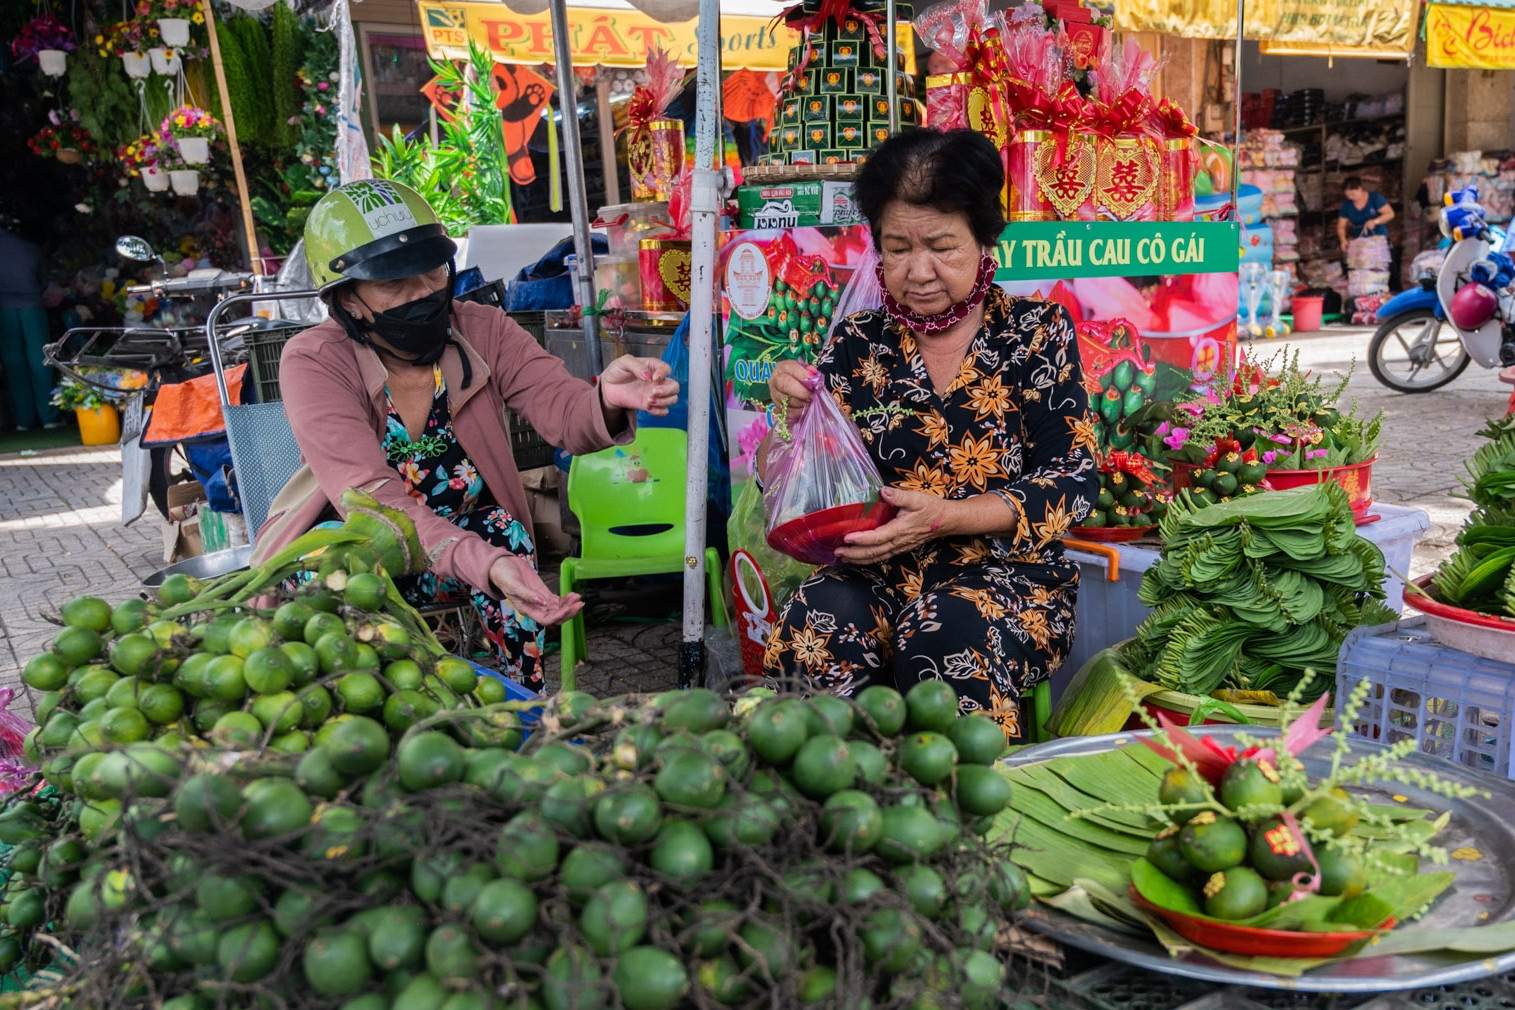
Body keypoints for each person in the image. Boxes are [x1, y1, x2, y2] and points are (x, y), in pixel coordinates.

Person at [253, 180, 679, 691]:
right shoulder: (315, 361)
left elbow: (562, 409)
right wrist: (484, 561)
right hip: (358, 541)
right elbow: (372, 501)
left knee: (501, 531)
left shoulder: (483, 328)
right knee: (334, 578)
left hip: (471, 539)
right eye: (394, 284)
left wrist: (606, 400)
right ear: (348, 299)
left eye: (432, 271)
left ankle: (521, 705)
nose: (423, 293)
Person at [758, 129, 1098, 741]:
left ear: (984, 238)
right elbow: (796, 475)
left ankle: (966, 815)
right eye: (897, 248)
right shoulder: (857, 342)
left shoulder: (1035, 333)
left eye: (941, 246)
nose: (918, 271)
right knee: (818, 615)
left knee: (946, 634)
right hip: (879, 571)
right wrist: (785, 417)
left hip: (1008, 576)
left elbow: (1073, 480)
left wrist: (946, 517)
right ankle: (830, 805)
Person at [0, 216, 62, 431]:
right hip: (32, 306)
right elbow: (42, 280)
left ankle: (23, 421)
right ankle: (49, 416)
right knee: (41, 360)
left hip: (4, 309)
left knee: (13, 363)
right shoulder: (31, 248)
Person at [1336, 176, 1395, 248]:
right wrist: (1343, 240)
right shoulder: (1347, 206)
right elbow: (1341, 226)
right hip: (1360, 243)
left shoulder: (1375, 198)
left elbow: (1390, 214)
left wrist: (1375, 221)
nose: (1351, 197)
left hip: (1379, 240)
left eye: (1352, 194)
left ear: (1360, 188)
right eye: (1348, 195)